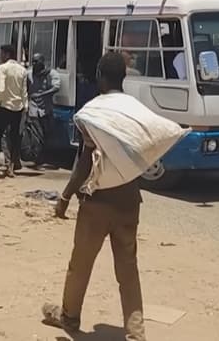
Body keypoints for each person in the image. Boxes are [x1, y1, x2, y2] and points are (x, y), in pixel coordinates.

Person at [42, 52, 146, 341]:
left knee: (81, 264)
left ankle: (70, 319)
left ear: (100, 75)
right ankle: (136, 334)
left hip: (97, 203)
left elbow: (84, 164)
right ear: (123, 76)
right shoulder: (135, 108)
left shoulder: (95, 111)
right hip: (129, 201)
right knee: (128, 271)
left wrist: (64, 198)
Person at [0, 44, 27, 178]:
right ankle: (11, 167)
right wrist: (25, 107)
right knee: (15, 138)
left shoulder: (3, 68)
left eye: (2, 54)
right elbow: (24, 91)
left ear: (7, 54)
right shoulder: (22, 70)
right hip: (17, 108)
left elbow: (0, 88)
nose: (0, 56)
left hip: (4, 106)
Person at [26, 53, 61, 168]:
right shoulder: (29, 74)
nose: (34, 64)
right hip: (33, 107)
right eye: (33, 61)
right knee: (37, 133)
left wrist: (43, 94)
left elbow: (56, 87)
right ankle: (37, 157)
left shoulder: (51, 73)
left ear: (43, 62)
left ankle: (43, 156)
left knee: (47, 134)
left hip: (46, 108)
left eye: (37, 61)